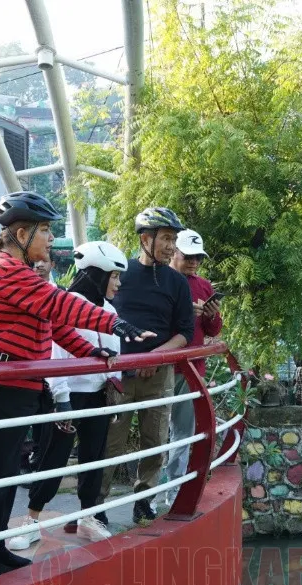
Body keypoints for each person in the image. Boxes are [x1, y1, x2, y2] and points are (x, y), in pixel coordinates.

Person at [0, 191, 150, 581]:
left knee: (6, 471)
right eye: (45, 230)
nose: (49, 238)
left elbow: (55, 324)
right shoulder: (4, 269)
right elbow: (61, 305)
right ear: (22, 233)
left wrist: (90, 352)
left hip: (15, 382)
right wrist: (113, 324)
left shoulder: (21, 273)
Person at [8, 241, 128, 549]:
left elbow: (113, 358)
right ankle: (31, 521)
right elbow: (55, 354)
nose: (117, 283)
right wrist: (61, 399)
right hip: (65, 395)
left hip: (98, 395)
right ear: (96, 275)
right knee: (52, 458)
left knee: (93, 458)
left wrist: (113, 392)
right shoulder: (63, 303)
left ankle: (89, 517)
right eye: (113, 276)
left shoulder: (109, 309)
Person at [100, 207, 194, 527]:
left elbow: (185, 332)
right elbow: (102, 319)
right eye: (166, 238)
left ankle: (144, 501)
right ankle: (96, 504)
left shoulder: (178, 282)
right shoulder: (120, 274)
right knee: (111, 441)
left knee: (155, 441)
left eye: (173, 239)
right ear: (145, 239)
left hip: (160, 372)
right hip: (120, 374)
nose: (171, 246)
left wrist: (155, 356)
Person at [159, 229, 222, 509]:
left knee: (183, 433)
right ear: (174, 252)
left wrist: (211, 315)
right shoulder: (159, 280)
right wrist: (184, 313)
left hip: (192, 368)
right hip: (161, 366)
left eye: (198, 257)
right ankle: (149, 495)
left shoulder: (203, 285)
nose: (194, 262)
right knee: (157, 433)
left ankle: (174, 491)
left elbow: (213, 330)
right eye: (189, 256)